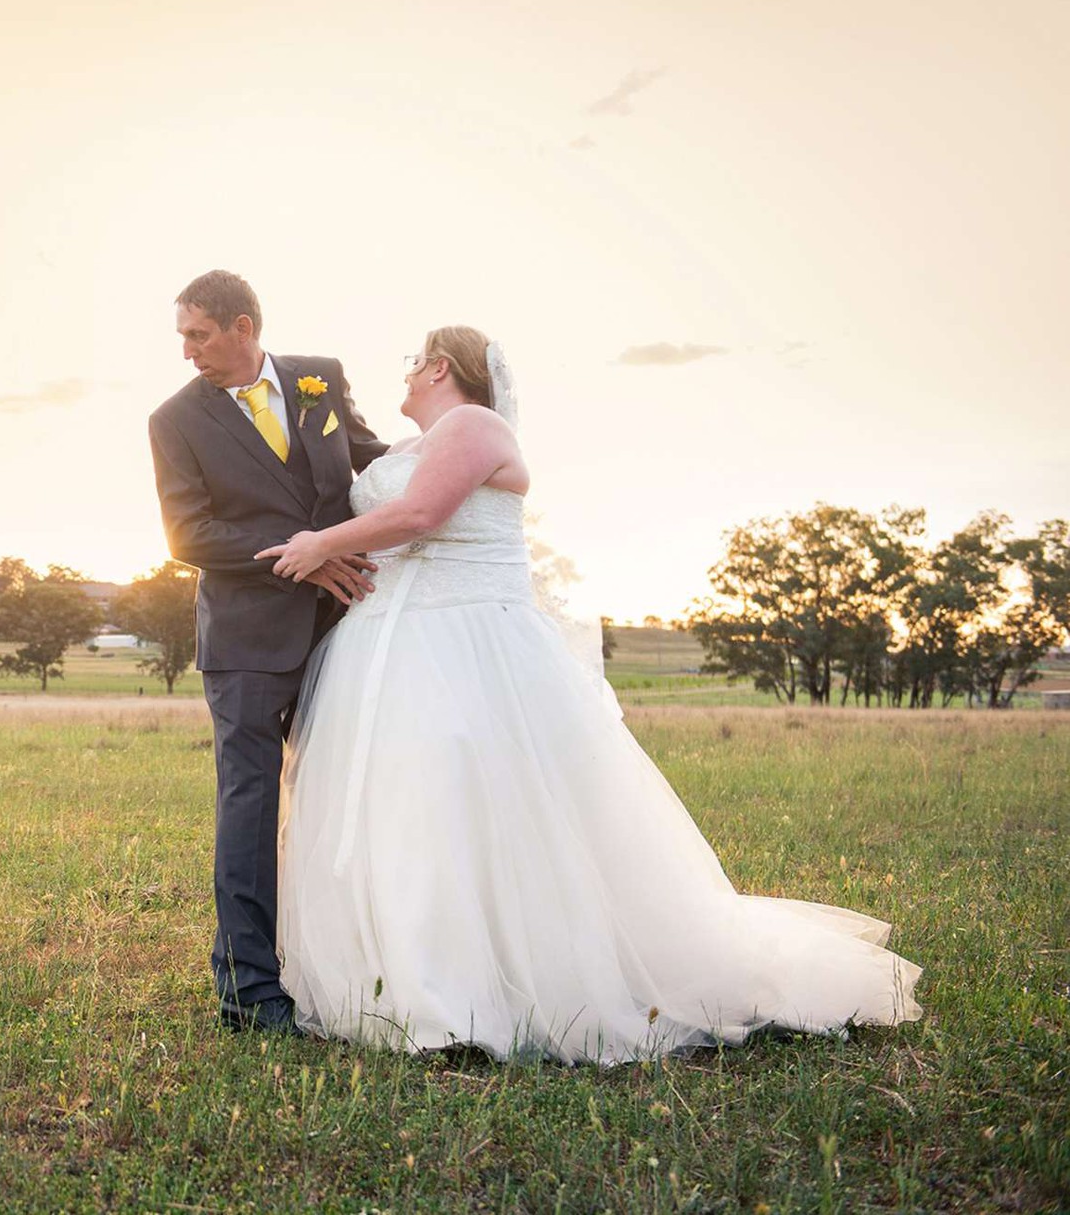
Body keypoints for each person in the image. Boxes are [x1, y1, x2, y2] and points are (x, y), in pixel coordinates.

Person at [258, 327, 923, 1062]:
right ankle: (410, 980)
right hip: (388, 647)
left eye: (414, 362)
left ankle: (484, 995)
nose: (406, 376)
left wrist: (321, 543)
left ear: (442, 366)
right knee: (412, 812)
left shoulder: (474, 425)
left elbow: (420, 516)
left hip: (468, 646)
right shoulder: (400, 449)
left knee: (474, 808)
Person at [148, 270, 389, 1034]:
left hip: (345, 628)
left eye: (198, 334)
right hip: (247, 642)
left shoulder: (321, 380)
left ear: (242, 326)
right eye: (182, 336)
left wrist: (453, 463)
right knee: (249, 810)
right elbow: (189, 536)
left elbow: (372, 464)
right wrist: (305, 554)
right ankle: (249, 989)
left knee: (345, 798)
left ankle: (346, 961)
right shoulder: (174, 420)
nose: (187, 352)